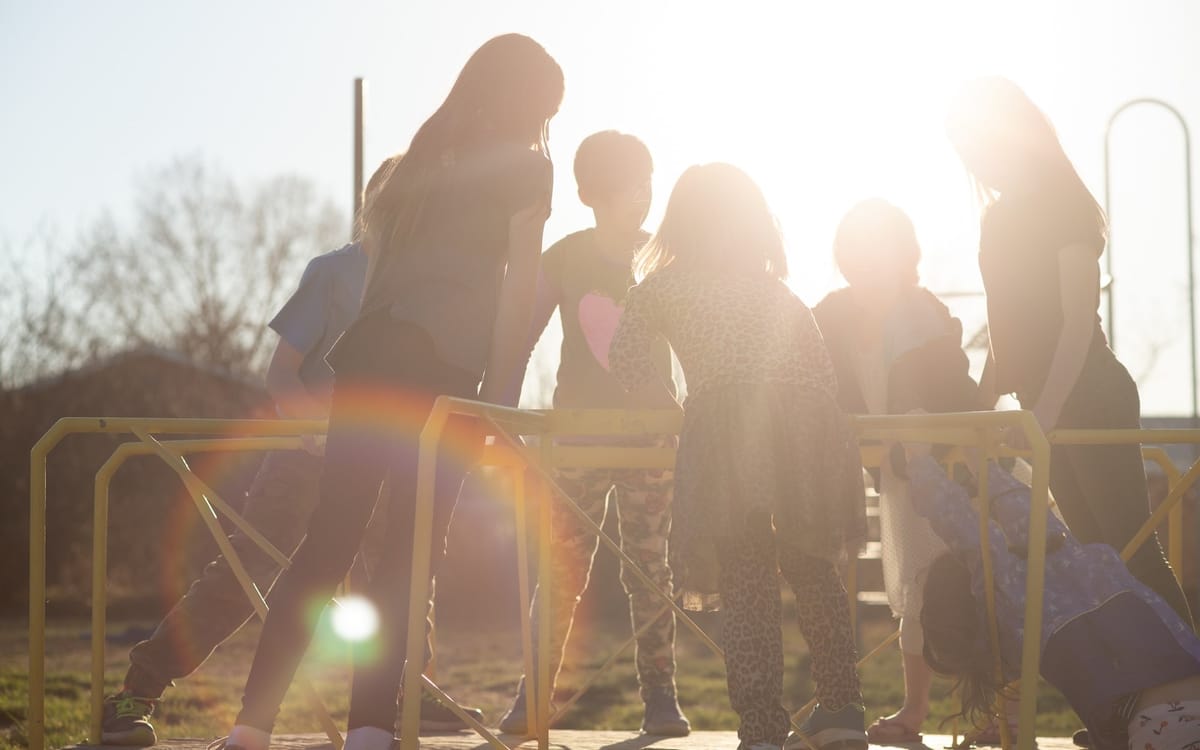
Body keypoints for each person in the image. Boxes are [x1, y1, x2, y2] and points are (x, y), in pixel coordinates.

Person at [219, 34, 563, 750]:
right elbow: (518, 289)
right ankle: (370, 729)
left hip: (369, 365)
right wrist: (497, 399)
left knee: (328, 543)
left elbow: (386, 277)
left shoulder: (423, 156)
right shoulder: (529, 169)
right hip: (439, 375)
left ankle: (252, 726)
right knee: (410, 555)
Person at [99, 163, 481, 746]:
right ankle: (137, 693)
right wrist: (312, 429)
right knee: (243, 568)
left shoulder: (424, 283)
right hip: (309, 453)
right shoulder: (333, 271)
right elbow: (282, 375)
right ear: (372, 204)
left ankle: (406, 694)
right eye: (394, 199)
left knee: (400, 575)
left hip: (387, 457)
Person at [609, 163, 868, 750]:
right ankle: (843, 710)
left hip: (728, 428)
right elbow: (822, 374)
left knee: (747, 574)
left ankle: (761, 727)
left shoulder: (663, 287)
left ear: (681, 223)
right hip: (807, 427)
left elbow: (626, 361)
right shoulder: (778, 292)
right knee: (813, 567)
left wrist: (679, 418)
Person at [946, 76, 1192, 628]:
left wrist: (1046, 413)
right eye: (963, 149)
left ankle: (1192, 696)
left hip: (1090, 392)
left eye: (979, 143)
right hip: (1044, 404)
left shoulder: (1062, 203)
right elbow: (1002, 321)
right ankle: (1139, 711)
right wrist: (983, 411)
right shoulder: (996, 218)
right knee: (1096, 562)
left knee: (1130, 553)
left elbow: (1078, 320)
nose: (973, 158)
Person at [496, 131, 689, 737]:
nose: (641, 195)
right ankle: (534, 699)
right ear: (589, 194)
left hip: (652, 439)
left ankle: (661, 697)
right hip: (576, 436)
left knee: (650, 568)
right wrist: (500, 414)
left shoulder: (664, 258)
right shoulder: (566, 257)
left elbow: (693, 341)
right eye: (627, 184)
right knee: (561, 569)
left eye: (648, 181)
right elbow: (523, 335)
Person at [812, 198, 979, 746]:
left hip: (947, 466)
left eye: (878, 251)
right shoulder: (831, 315)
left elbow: (957, 391)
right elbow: (811, 385)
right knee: (915, 585)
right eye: (855, 253)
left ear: (903, 256)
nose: (866, 264)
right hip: (894, 470)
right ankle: (915, 710)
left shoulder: (924, 311)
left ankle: (992, 711)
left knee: (968, 585)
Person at [906, 444, 1200, 750]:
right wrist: (979, 462)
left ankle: (1108, 730)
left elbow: (973, 539)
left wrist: (918, 462)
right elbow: (1019, 512)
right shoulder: (1071, 558)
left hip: (1160, 726)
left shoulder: (1014, 616)